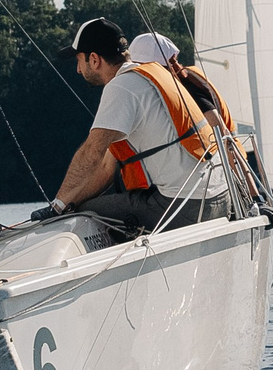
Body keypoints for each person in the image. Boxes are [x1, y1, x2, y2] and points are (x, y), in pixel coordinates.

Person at [34, 21, 236, 235]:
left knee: (85, 212)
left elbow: (92, 152)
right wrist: (69, 202)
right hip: (222, 199)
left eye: (79, 61)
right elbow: (105, 169)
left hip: (188, 209)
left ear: (94, 59)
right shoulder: (151, 74)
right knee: (86, 206)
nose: (77, 69)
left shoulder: (121, 87)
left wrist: (58, 207)